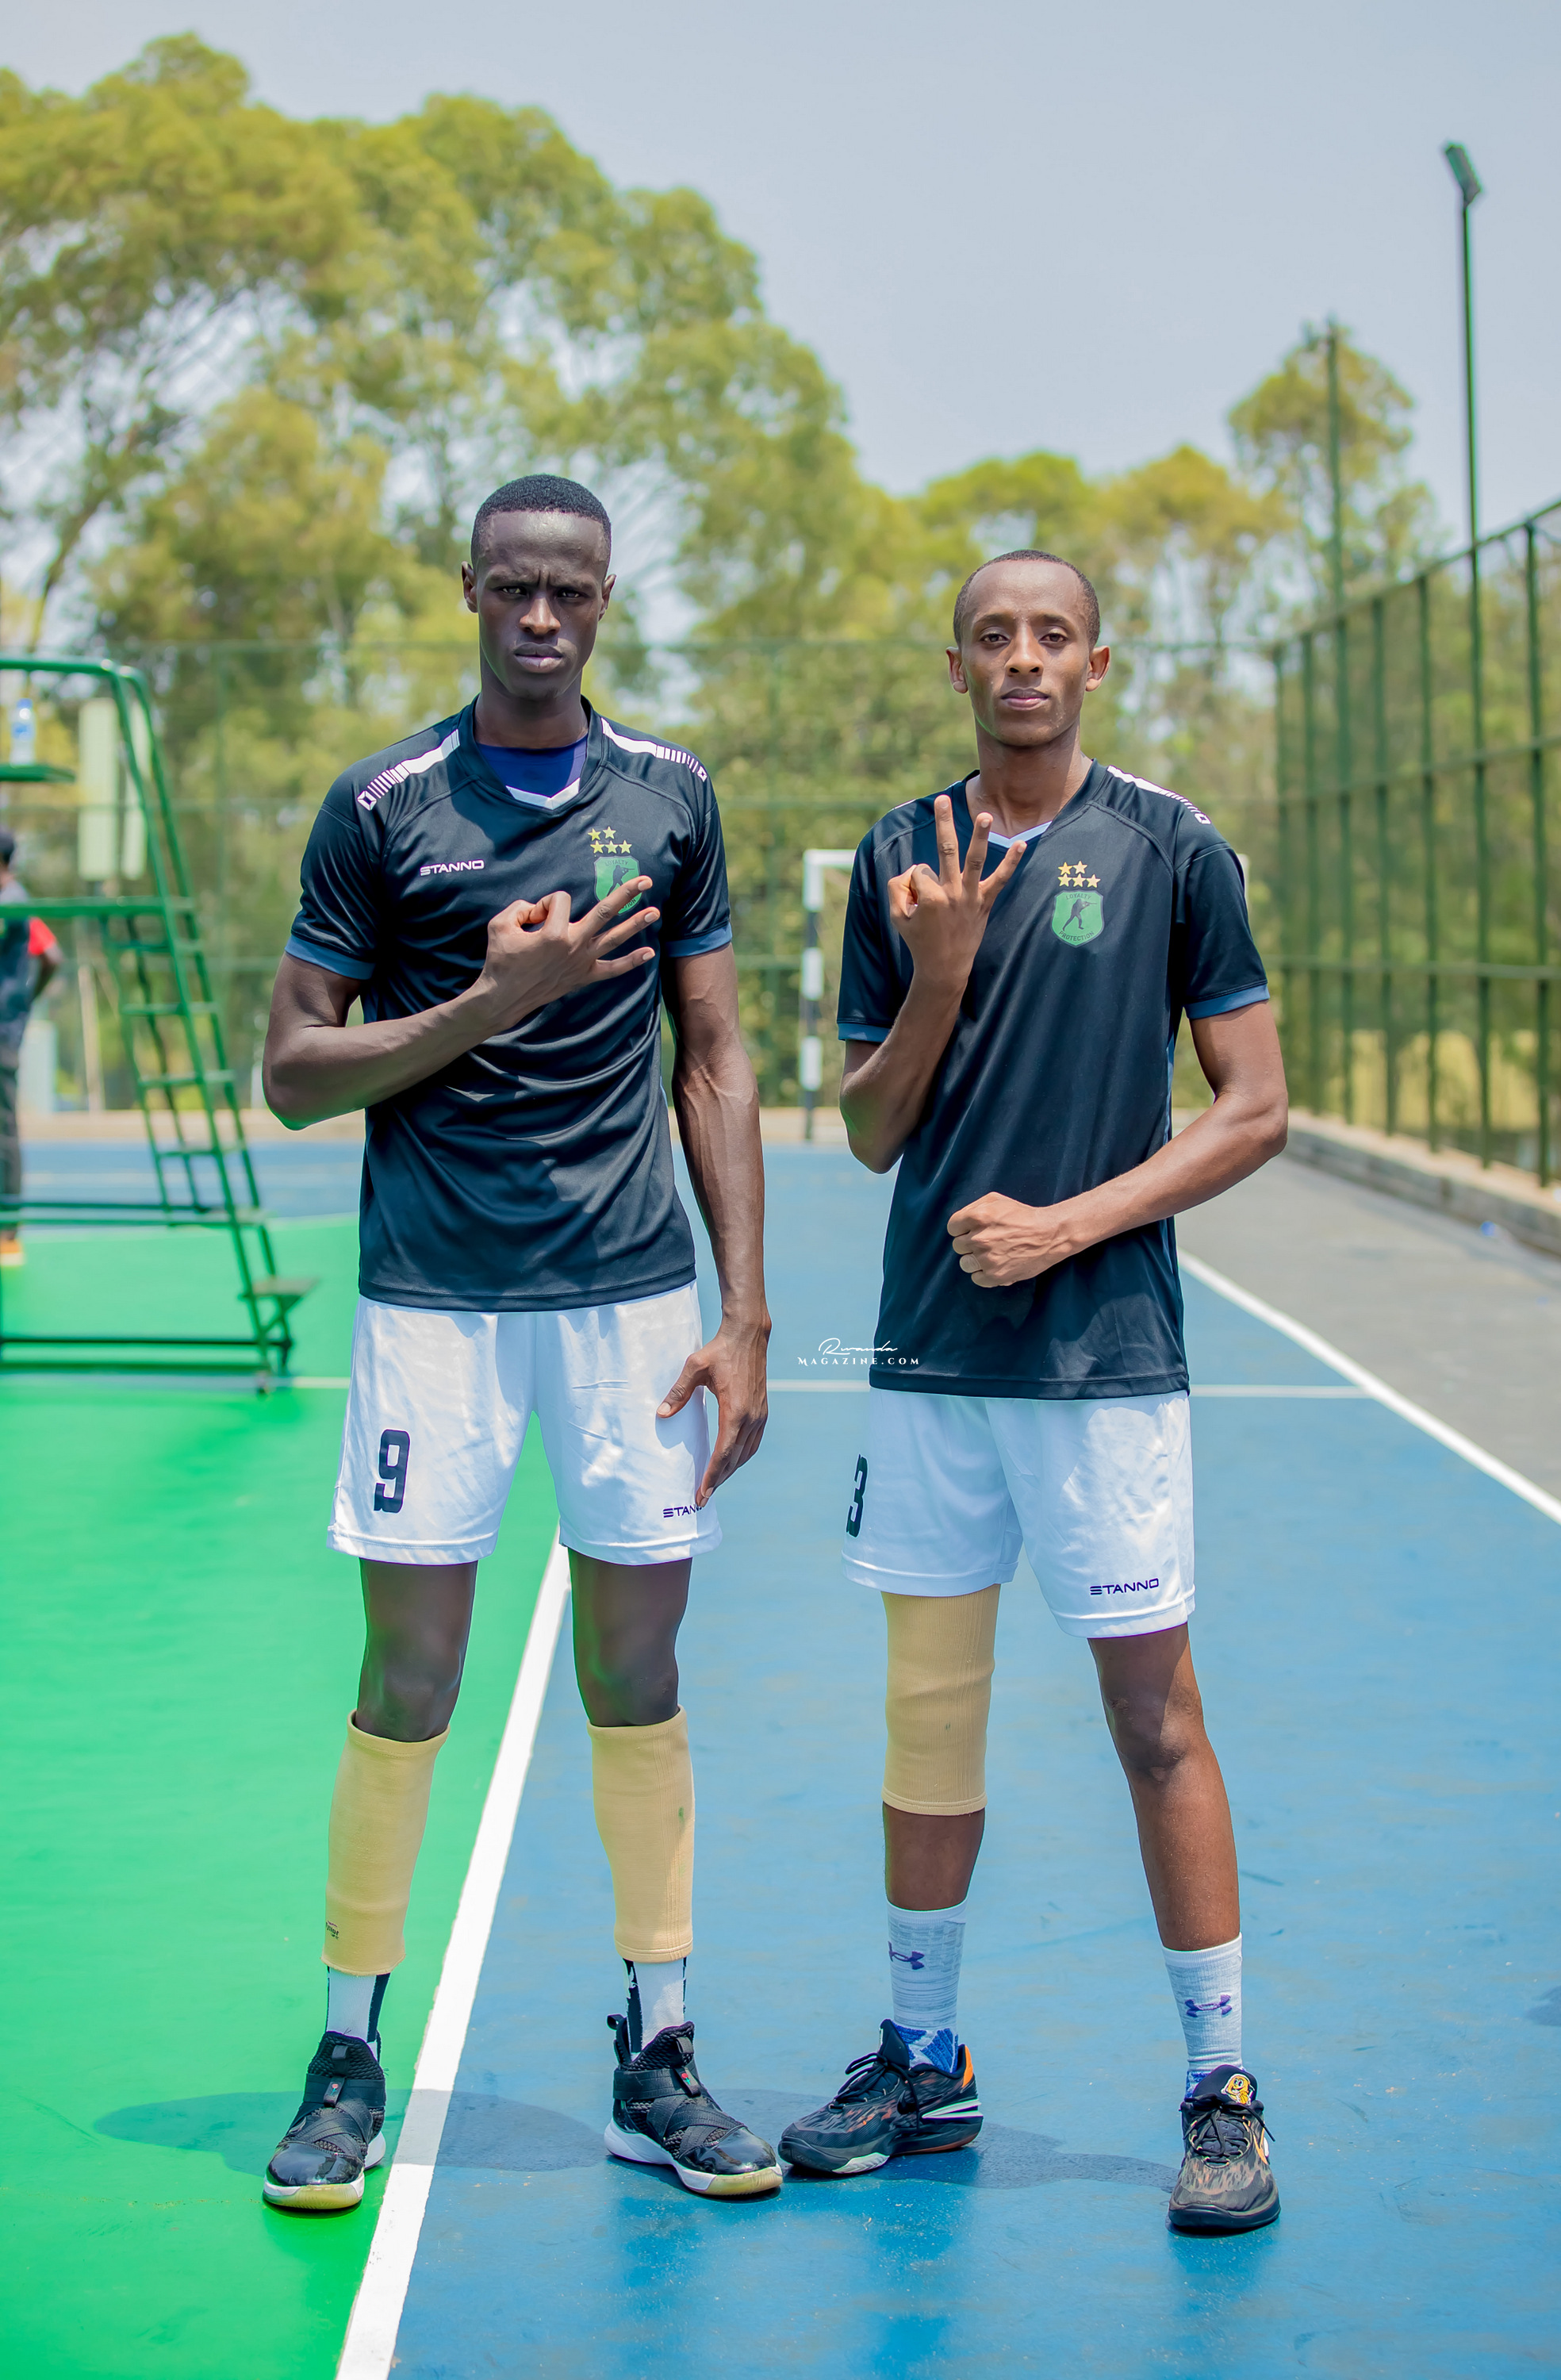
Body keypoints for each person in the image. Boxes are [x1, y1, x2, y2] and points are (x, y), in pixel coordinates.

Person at [260, 474, 780, 2209]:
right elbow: (293, 1074)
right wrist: (489, 1002)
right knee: (410, 1680)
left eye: (570, 590)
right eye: (512, 587)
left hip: (633, 1301)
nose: (540, 615)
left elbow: (714, 1057)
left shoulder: (671, 795)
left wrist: (746, 1313)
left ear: (604, 601)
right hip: (433, 1304)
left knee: (638, 1672)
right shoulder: (382, 806)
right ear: (470, 590)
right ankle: (347, 2054)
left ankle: (660, 2051)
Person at [779, 550, 1289, 2234]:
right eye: (991, 635)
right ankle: (922, 2059)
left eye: (1050, 635)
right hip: (932, 1357)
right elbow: (867, 1132)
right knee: (928, 1714)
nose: (1021, 658)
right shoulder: (897, 856)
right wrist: (938, 971)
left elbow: (1254, 1106)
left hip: (1103, 1364)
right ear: (955, 665)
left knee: (1153, 1720)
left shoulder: (1171, 848)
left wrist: (1068, 1224)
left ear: (1095, 663)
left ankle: (1221, 2087)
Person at [0, 827, 61, 1269]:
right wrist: (26, 1002)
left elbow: (53, 957)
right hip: (8, 1027)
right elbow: (52, 956)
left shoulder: (12, 904)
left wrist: (21, 1004)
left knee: (4, 1132)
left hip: (2, 1031)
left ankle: (8, 1230)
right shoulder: (20, 902)